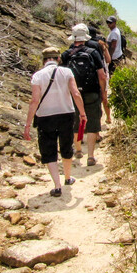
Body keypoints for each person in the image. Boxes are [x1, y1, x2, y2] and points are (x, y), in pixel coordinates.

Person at [24, 46, 87, 197]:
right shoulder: (66, 72)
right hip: (66, 114)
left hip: (45, 116)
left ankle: (57, 185)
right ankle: (67, 177)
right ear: (58, 59)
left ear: (44, 60)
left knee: (49, 150)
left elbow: (34, 101)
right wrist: (83, 114)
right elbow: (76, 93)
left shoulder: (37, 76)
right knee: (66, 146)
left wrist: (27, 124)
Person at [62, 23, 108, 167]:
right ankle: (91, 156)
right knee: (93, 123)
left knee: (76, 121)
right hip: (92, 92)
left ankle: (78, 150)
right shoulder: (92, 52)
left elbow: (61, 76)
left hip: (74, 93)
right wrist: (102, 91)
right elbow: (102, 75)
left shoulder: (66, 54)